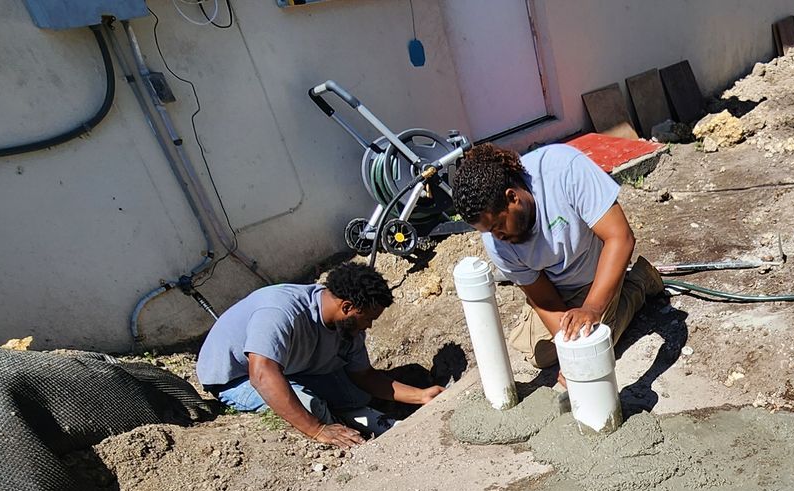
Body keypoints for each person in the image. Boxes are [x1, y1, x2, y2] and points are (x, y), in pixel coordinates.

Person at [451, 142, 664, 370]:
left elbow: (620, 238)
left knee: (598, 345)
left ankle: (639, 281)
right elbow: (543, 298)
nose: (497, 236)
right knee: (543, 354)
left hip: (597, 271)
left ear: (513, 198)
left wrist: (591, 308)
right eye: (488, 231)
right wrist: (569, 353)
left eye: (498, 225)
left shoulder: (564, 170)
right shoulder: (495, 241)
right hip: (557, 287)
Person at [195, 261, 442, 448]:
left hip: (292, 367)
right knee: (311, 407)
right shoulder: (281, 313)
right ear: (347, 307)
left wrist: (420, 396)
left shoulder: (347, 325)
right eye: (367, 319)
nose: (368, 326)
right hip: (237, 378)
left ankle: (355, 419)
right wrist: (318, 430)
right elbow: (261, 374)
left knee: (356, 396)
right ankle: (343, 428)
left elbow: (364, 375)